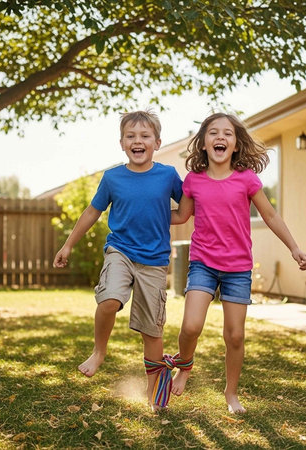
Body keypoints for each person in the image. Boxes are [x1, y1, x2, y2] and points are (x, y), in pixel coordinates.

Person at [170, 112, 306, 414]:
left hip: (237, 268)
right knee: (191, 325)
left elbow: (270, 216)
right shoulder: (193, 180)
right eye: (213, 133)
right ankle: (184, 366)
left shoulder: (246, 179)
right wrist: (141, 212)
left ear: (235, 145)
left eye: (228, 134)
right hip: (203, 263)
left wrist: (294, 247)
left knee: (234, 335)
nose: (220, 137)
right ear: (204, 144)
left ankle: (231, 393)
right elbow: (180, 216)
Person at [53, 110, 184, 411]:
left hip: (154, 260)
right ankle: (99, 351)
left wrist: (176, 215)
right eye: (131, 136)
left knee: (152, 329)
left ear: (157, 142)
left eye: (145, 136)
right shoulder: (113, 177)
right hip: (120, 251)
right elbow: (91, 212)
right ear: (122, 143)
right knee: (109, 300)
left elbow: (185, 209)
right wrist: (68, 245)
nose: (138, 141)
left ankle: (153, 392)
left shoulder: (167, 175)